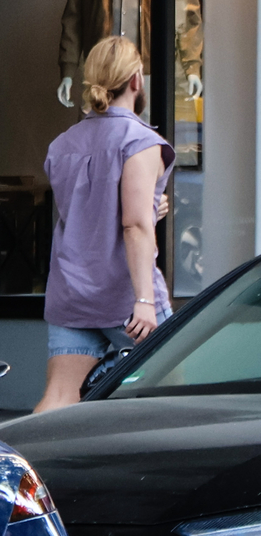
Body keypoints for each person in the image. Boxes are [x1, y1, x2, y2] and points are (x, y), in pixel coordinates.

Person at [35, 35, 172, 413]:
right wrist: (145, 300)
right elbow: (133, 226)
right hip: (126, 294)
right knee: (173, 390)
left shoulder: (63, 144)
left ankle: (30, 470)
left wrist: (148, 209)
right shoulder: (139, 141)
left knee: (60, 396)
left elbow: (89, 210)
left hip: (72, 289)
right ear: (136, 81)